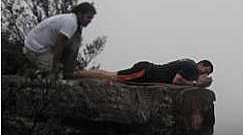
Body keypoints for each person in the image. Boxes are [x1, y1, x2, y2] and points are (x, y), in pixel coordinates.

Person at [23, 2, 96, 78]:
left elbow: (70, 48)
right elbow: (59, 44)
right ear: (80, 14)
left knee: (73, 44)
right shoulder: (71, 22)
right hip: (36, 48)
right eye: (88, 17)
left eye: (91, 18)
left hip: (45, 48)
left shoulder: (76, 25)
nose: (89, 21)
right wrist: (55, 64)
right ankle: (37, 77)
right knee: (55, 76)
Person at [75, 58, 214, 87]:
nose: (204, 75)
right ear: (201, 65)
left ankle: (79, 73)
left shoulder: (189, 63)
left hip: (146, 71)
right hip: (146, 73)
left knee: (113, 76)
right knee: (113, 77)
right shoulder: (191, 68)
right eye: (205, 71)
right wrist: (195, 84)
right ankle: (78, 74)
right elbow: (176, 81)